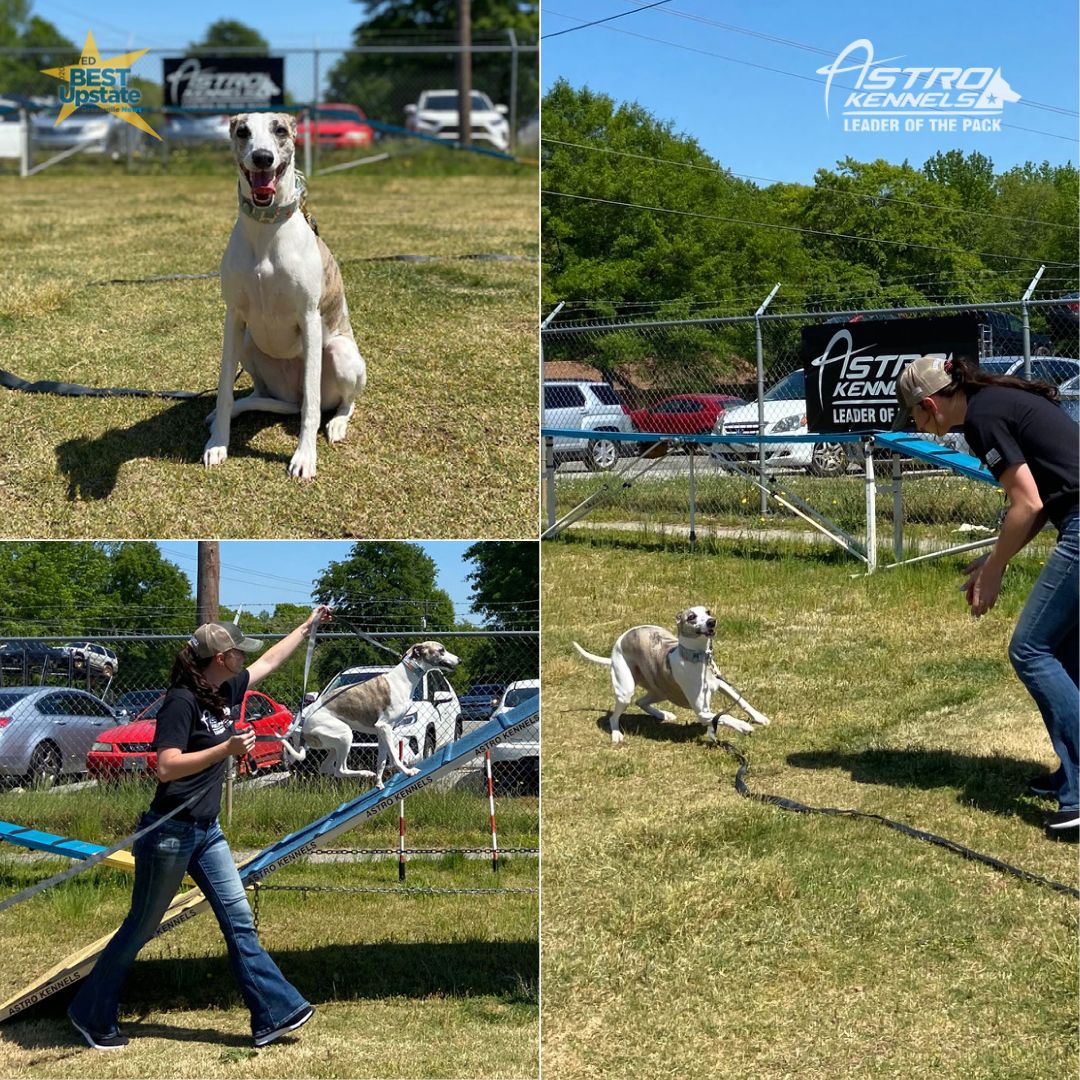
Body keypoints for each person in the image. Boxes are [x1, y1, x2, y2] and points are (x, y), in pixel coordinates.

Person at [68, 607, 331, 1050]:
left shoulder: (225, 688)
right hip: (169, 832)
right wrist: (224, 749)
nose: (246, 657)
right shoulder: (181, 701)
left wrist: (307, 626)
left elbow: (269, 662)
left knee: (239, 919)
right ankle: (90, 1013)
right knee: (141, 927)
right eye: (238, 651)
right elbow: (166, 767)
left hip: (207, 831)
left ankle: (273, 1013)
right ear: (222, 657)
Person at [892, 355, 1078, 840]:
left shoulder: (982, 419)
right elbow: (1041, 499)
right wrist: (997, 556)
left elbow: (1030, 503)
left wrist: (994, 572)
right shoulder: (993, 403)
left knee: (1031, 650)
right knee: (1063, 651)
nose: (916, 425)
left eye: (913, 415)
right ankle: (1071, 772)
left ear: (929, 405)